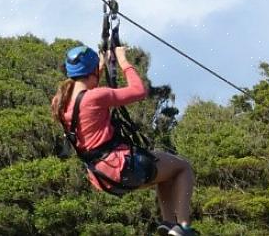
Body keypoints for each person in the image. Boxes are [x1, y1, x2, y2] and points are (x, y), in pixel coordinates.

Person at [51, 45, 198, 235]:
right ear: (93, 70)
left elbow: (85, 93)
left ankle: (170, 225)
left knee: (165, 172)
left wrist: (101, 65)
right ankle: (184, 227)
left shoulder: (60, 101)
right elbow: (138, 90)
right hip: (120, 167)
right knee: (182, 167)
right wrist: (122, 60)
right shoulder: (96, 96)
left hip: (100, 176)